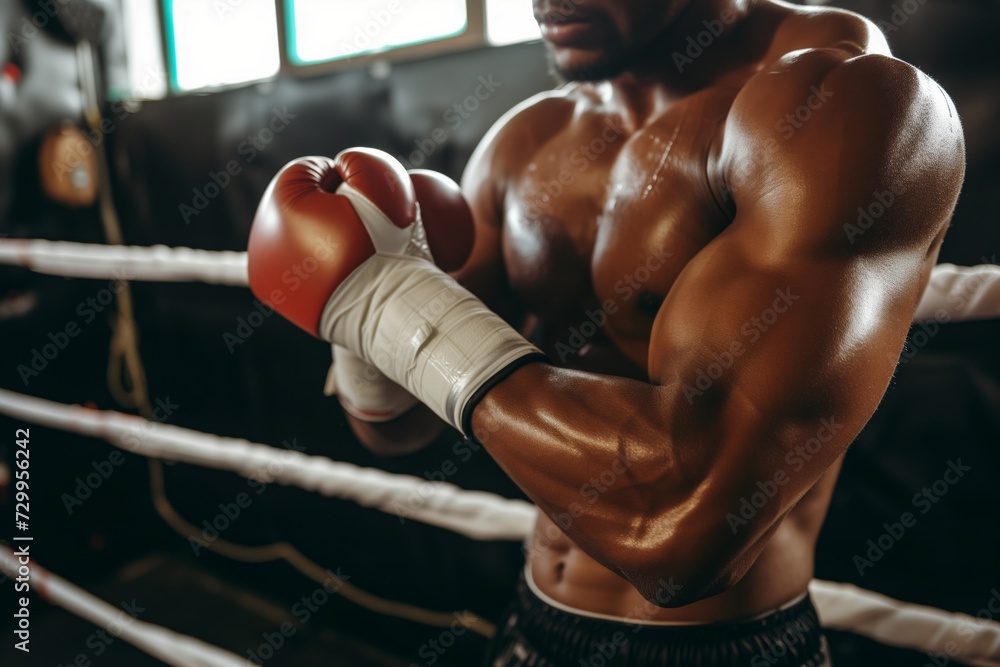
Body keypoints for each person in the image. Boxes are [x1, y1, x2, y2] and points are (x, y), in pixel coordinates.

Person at [246, 0, 965, 664]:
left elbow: (683, 533)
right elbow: (396, 428)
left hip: (719, 643)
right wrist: (361, 319)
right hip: (536, 620)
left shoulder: (845, 103)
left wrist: (389, 301)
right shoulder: (527, 140)